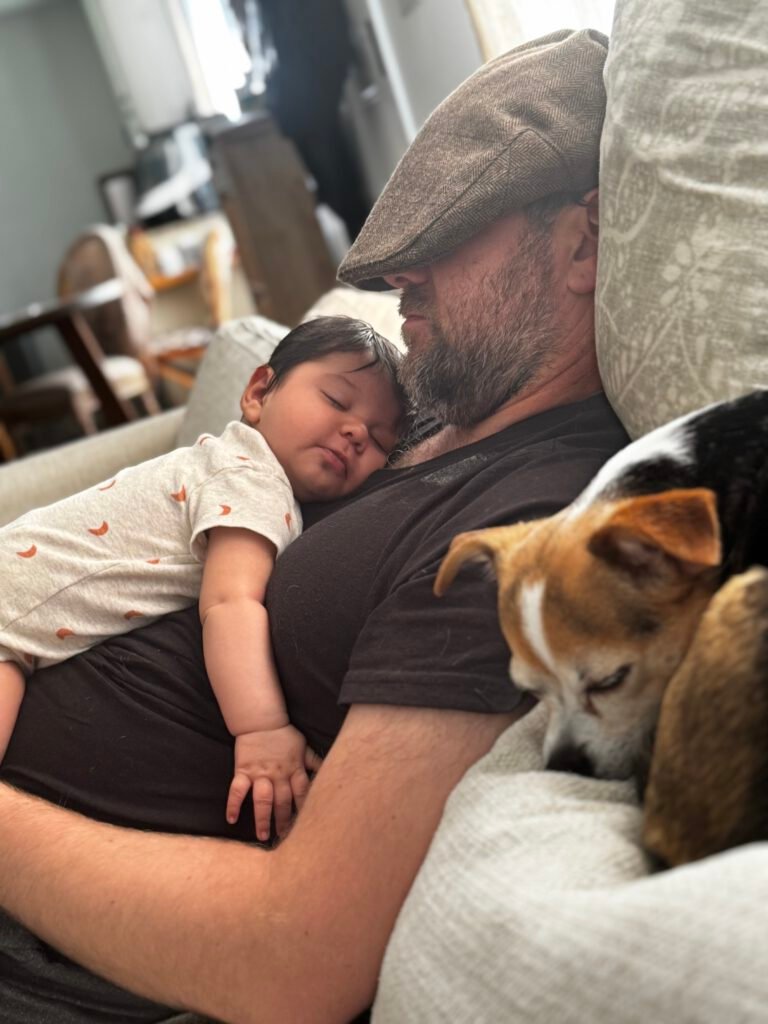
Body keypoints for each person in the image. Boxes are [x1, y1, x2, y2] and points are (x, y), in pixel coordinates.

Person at [0, 28, 629, 1024]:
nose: (399, 280)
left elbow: (298, 958)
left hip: (45, 953)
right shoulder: (421, 414)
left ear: (581, 244)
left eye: (446, 235)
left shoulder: (524, 516)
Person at [0, 316, 406, 841]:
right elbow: (231, 604)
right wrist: (262, 730)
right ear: (259, 391)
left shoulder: (227, 463)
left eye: (378, 439)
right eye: (336, 400)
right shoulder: (252, 479)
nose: (355, 433)